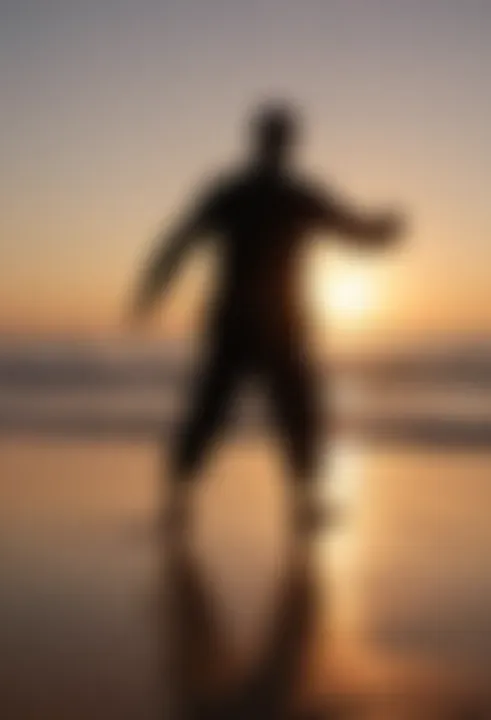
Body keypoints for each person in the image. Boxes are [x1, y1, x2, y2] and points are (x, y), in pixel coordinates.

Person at [132, 101, 403, 532]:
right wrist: (382, 234)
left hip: (249, 325)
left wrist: (152, 289)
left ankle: (186, 505)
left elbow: (179, 241)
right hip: (267, 326)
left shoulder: (245, 193)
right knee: (263, 413)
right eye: (279, 137)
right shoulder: (275, 195)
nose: (279, 145)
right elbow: (355, 232)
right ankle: (291, 507)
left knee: (247, 412)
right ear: (282, 143)